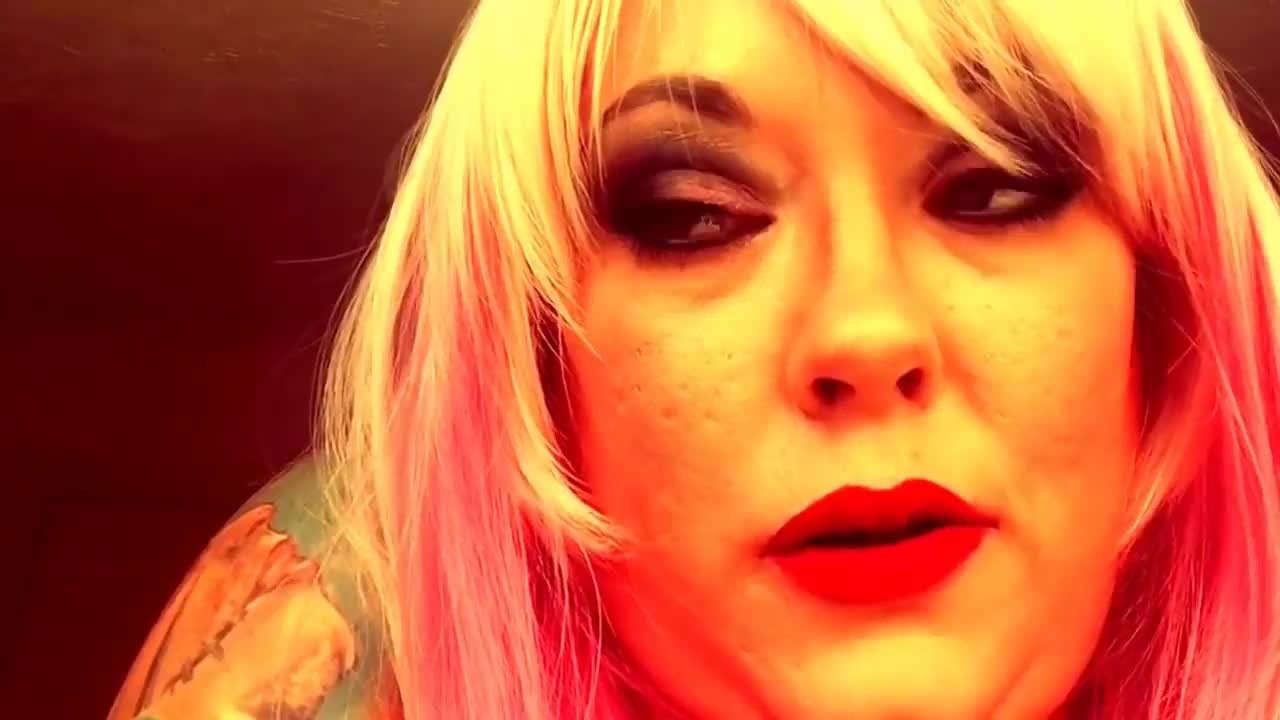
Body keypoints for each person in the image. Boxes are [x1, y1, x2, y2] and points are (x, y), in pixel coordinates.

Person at [110, 0, 1280, 718]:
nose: (864, 331)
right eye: (688, 214)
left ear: (1161, 318)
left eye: (994, 187)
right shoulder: (327, 591)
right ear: (540, 376)